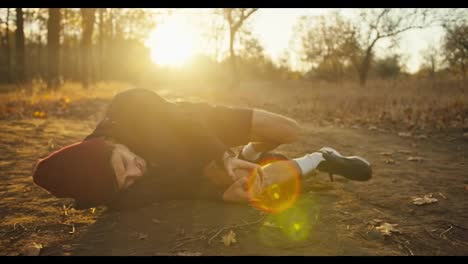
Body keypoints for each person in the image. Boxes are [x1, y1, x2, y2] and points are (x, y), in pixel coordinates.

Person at [32, 88, 372, 210]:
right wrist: (220, 195)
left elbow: (187, 121)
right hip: (190, 163)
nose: (137, 174)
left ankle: (248, 153)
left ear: (108, 143)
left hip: (200, 125)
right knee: (254, 186)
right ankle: (322, 157)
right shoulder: (115, 194)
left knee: (290, 131)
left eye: (125, 165)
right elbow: (175, 188)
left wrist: (221, 153)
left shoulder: (128, 106)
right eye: (127, 181)